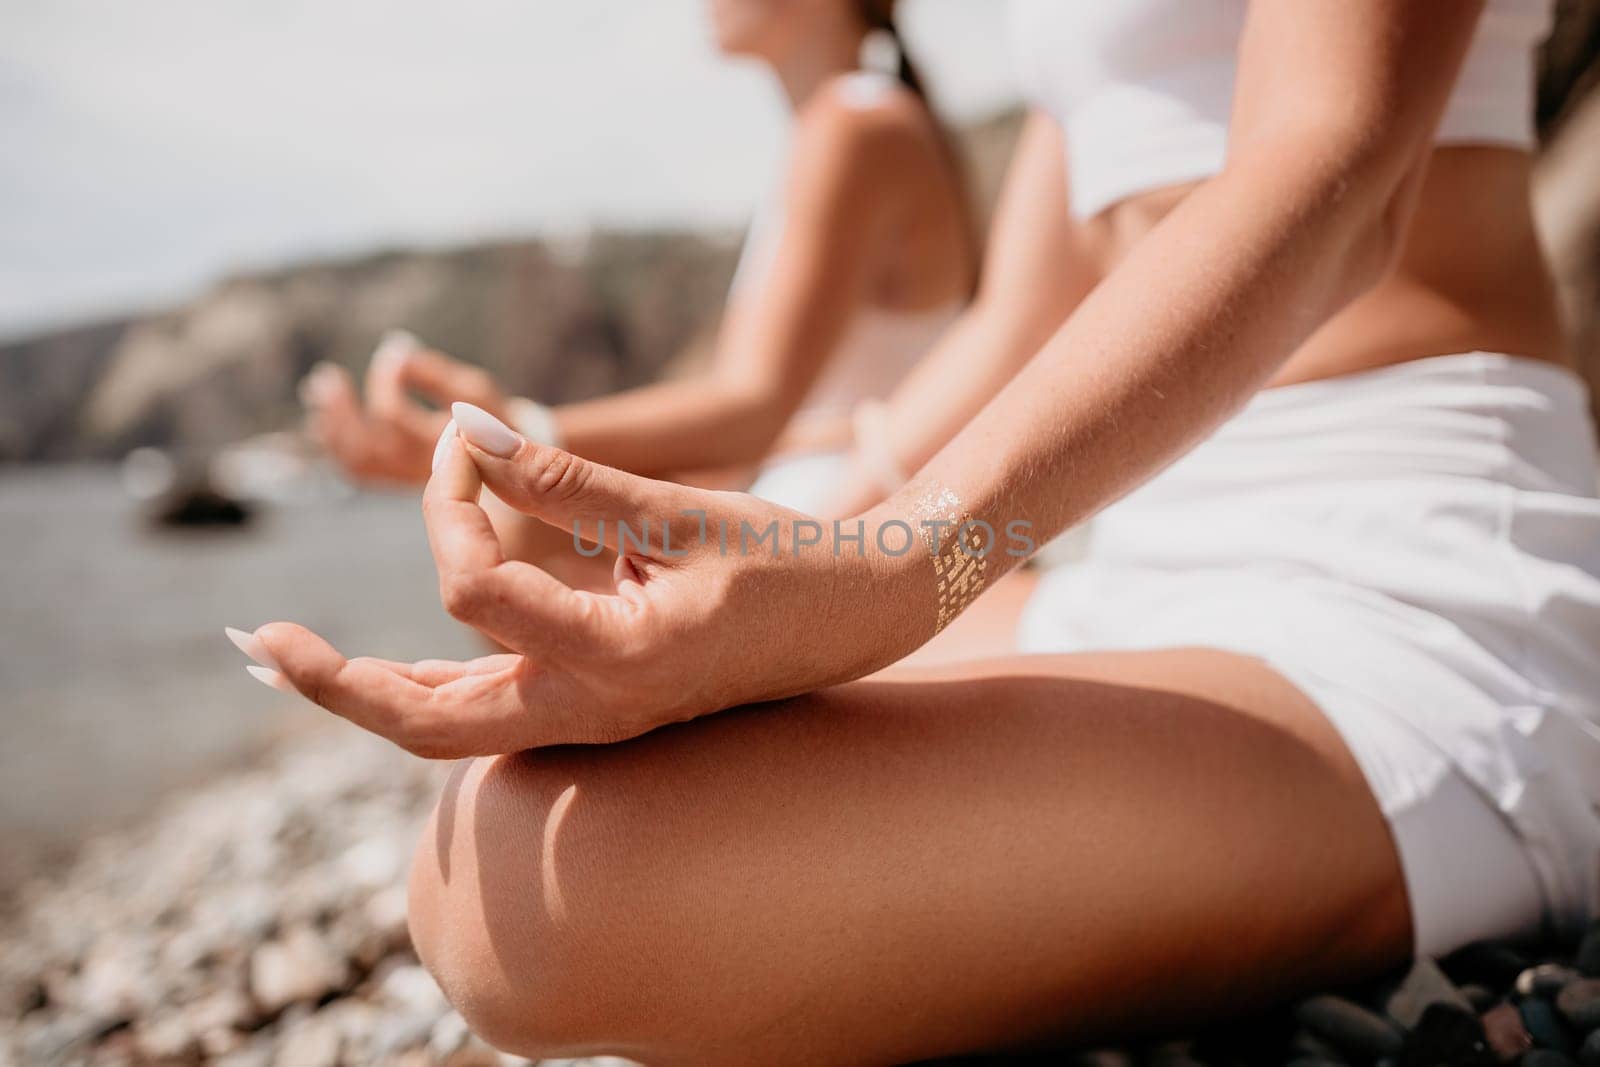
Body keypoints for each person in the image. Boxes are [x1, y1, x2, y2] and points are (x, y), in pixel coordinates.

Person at [231, 0, 1600, 1062]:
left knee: (527, 896)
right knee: (522, 812)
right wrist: (764, 552)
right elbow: (1017, 330)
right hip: (1133, 563)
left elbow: (1338, 172)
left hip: (1405, 575)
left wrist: (895, 575)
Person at [300, 0, 975, 528]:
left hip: (853, 507)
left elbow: (753, 405)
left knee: (519, 532)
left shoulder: (854, 127)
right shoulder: (853, 123)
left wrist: (523, 435)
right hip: (837, 489)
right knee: (527, 525)